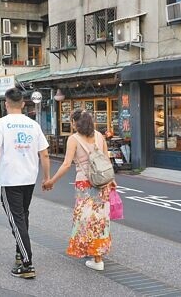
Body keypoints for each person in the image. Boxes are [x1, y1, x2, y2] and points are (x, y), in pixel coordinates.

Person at [0, 87, 50, 279]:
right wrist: (46, 178)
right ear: (22, 104)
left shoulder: (2, 123)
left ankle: (27, 264)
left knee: (16, 219)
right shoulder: (33, 125)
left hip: (10, 179)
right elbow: (44, 153)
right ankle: (20, 254)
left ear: (6, 104)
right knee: (22, 216)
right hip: (29, 178)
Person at [42, 109, 114, 272]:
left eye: (72, 121)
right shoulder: (99, 136)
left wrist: (51, 181)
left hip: (85, 183)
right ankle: (97, 254)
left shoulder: (73, 139)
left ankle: (97, 258)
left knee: (85, 219)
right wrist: (112, 180)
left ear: (75, 122)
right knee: (100, 220)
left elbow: (67, 164)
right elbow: (106, 160)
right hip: (102, 183)